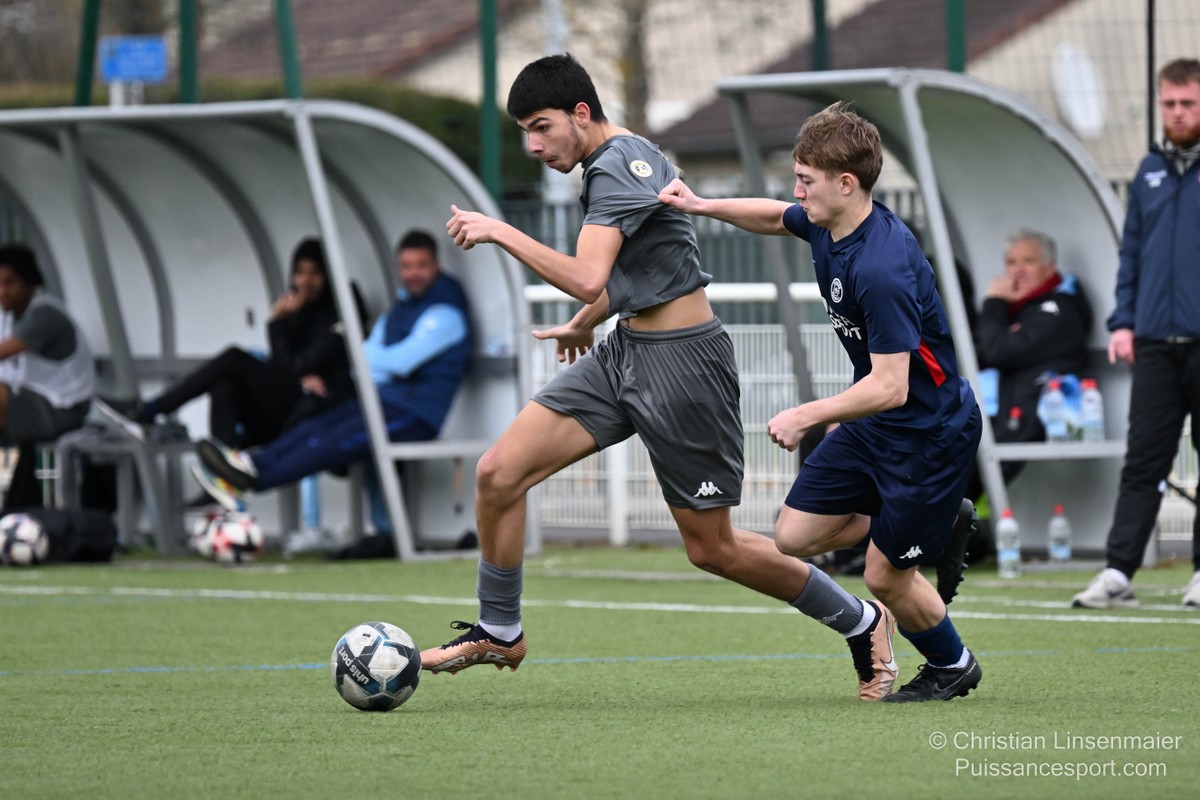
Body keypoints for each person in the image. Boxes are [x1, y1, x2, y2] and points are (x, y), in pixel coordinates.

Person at [421, 53, 910, 704]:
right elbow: (646, 267)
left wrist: (500, 231)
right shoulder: (623, 159)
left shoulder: (617, 165)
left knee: (713, 549)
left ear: (581, 114)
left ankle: (861, 620)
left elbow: (588, 275)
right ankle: (499, 630)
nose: (533, 146)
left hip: (684, 369)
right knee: (498, 473)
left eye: (541, 127)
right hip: (624, 353)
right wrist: (587, 321)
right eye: (524, 133)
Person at [659, 100, 984, 702]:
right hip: (879, 424)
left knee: (885, 576)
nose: (796, 191)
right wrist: (701, 205)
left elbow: (892, 385)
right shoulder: (829, 222)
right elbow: (772, 216)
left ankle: (952, 665)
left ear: (846, 183)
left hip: (928, 433)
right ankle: (933, 523)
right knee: (794, 535)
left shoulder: (882, 267)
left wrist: (806, 414)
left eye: (805, 180)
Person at [191, 229, 472, 519]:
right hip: (382, 402)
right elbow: (363, 358)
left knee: (326, 444)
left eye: (421, 265)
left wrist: (379, 362)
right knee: (312, 427)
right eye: (406, 266)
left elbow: (398, 362)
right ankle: (246, 464)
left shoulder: (446, 314)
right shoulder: (401, 308)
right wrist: (380, 362)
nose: (413, 273)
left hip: (416, 415)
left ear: (436, 266)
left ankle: (250, 481)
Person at [1074, 58, 1200, 610]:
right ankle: (1118, 571)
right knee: (1143, 461)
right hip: (1153, 344)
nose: (1177, 113)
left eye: (1188, 103)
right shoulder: (1149, 170)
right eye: (1169, 103)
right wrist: (1123, 322)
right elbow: (1132, 256)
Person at [97, 238, 365, 449]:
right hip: (285, 410)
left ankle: (151, 410)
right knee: (224, 385)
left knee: (234, 358)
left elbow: (291, 367)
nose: (305, 282)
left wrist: (277, 323)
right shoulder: (298, 312)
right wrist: (295, 363)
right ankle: (222, 475)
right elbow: (285, 368)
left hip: (318, 410)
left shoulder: (342, 307)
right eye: (299, 272)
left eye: (315, 273)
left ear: (329, 275)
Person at [964, 228, 1092, 503]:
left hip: (1031, 415)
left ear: (1050, 267)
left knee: (959, 482)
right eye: (1011, 263)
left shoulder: (1059, 308)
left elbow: (997, 351)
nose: (1018, 271)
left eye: (1028, 261)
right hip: (998, 412)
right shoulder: (1019, 308)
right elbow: (976, 351)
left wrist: (995, 302)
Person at [0, 245, 96, 510]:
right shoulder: (7, 317)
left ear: (30, 281)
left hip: (64, 410)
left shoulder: (44, 314)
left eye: (10, 282)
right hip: (30, 406)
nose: (2, 291)